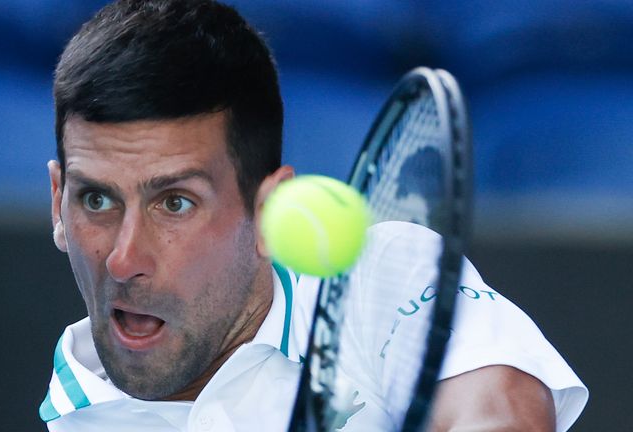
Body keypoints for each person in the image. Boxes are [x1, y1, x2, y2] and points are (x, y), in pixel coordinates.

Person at [40, 1, 588, 430]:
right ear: (58, 199)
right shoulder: (77, 416)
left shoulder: (380, 274)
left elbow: (500, 416)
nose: (124, 258)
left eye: (175, 203)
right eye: (97, 200)